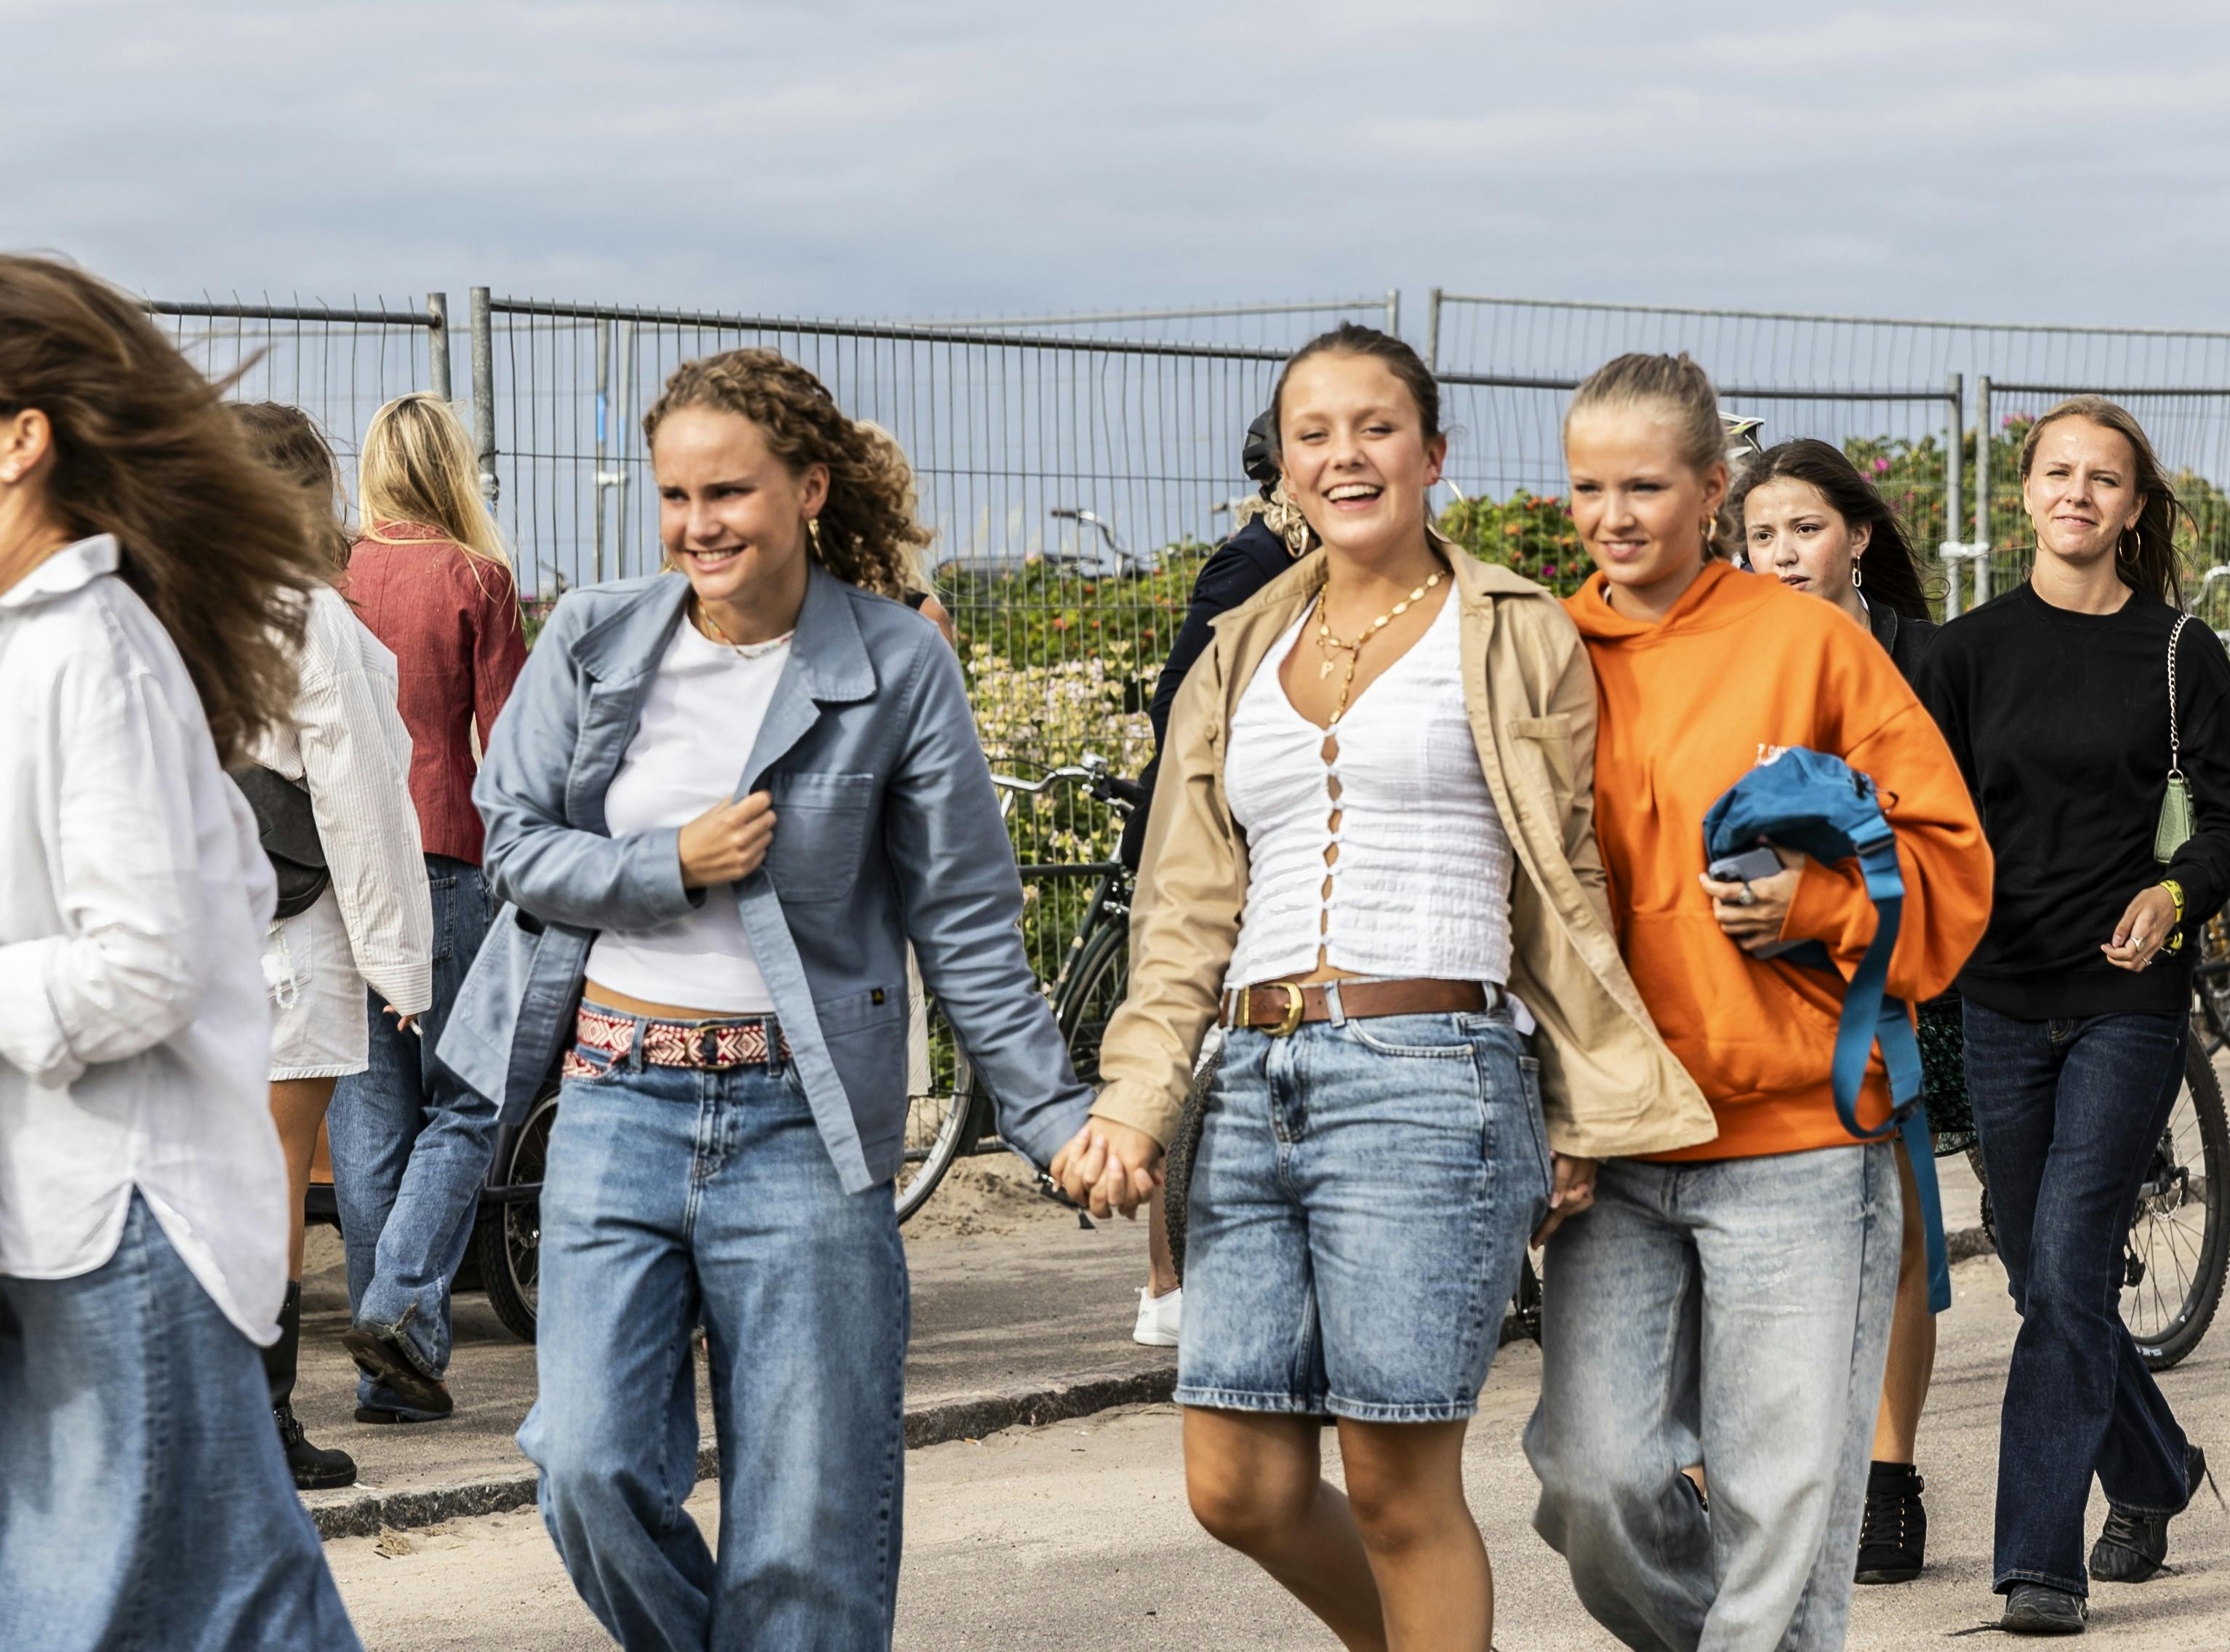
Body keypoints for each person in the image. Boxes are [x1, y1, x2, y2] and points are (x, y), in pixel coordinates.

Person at [435, 346, 1104, 1648]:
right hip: (616, 1100)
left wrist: (1054, 1117)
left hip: (805, 1120)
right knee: (587, 1466)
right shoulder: (594, 639)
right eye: (676, 497)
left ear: (807, 490)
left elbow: (965, 917)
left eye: (728, 494)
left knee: (808, 1525)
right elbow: (509, 836)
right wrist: (664, 864)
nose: (698, 526)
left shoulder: (898, 662)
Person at [1088, 323, 1713, 1652]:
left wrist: (1573, 1102)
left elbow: (1572, 879)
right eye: (1313, 433)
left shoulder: (1517, 628)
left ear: (1433, 453)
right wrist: (1138, 1098)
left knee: (1395, 1487)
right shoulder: (1235, 649)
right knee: (1236, 1484)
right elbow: (1185, 903)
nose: (1345, 455)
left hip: (1435, 1074)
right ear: (1283, 467)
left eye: (1375, 428)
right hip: (1252, 1084)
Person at [1526, 355, 1990, 1651]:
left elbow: (1953, 872)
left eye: (1645, 486)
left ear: (1713, 490)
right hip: (1617, 1145)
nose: (1613, 516)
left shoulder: (1814, 647)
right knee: (1591, 1483)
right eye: (1587, 488)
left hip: (1801, 1141)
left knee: (1781, 1513)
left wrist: (1823, 908)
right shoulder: (1547, 655)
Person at [0, 254, 361, 1649]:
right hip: (63, 1219)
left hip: (120, 1221)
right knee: (234, 1608)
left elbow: (142, 965)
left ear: (25, 438)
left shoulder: (92, 651)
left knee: (112, 1616)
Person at [1920, 396, 2230, 1634]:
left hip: (2128, 1007)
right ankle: (2159, 1467)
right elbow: (1923, 821)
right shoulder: (1961, 657)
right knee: (2042, 1277)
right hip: (2001, 1004)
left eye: (2105, 479)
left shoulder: (2180, 653)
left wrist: (2177, 894)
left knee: (2068, 1265)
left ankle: (2038, 1567)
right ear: (2026, 491)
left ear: (2135, 507)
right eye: (2058, 472)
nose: (2079, 493)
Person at [1737, 436, 1961, 1587]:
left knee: (1912, 1229)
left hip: (1919, 965)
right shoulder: (1733, 661)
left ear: (1859, 536)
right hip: (1764, 972)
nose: (1782, 554)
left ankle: (1891, 1476)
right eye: (1761, 534)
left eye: (1805, 530)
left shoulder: (1926, 661)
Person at [232, 402, 433, 1490]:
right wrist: (402, 968)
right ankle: (262, 1430)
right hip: (293, 936)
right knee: (269, 1187)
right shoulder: (311, 619)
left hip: (197, 933)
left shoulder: (174, 609)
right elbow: (361, 806)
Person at [329, 390, 528, 1424]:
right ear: (453, 469)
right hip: (448, 857)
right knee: (466, 1100)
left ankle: (387, 1381)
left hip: (345, 870)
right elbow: (514, 747)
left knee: (369, 1114)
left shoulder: (339, 577)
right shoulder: (478, 579)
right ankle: (403, 1315)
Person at [1128, 404, 1314, 1348]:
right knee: (1190, 1053)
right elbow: (1180, 702)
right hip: (1225, 842)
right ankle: (1166, 1286)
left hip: (1269, 841)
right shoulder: (1256, 561)